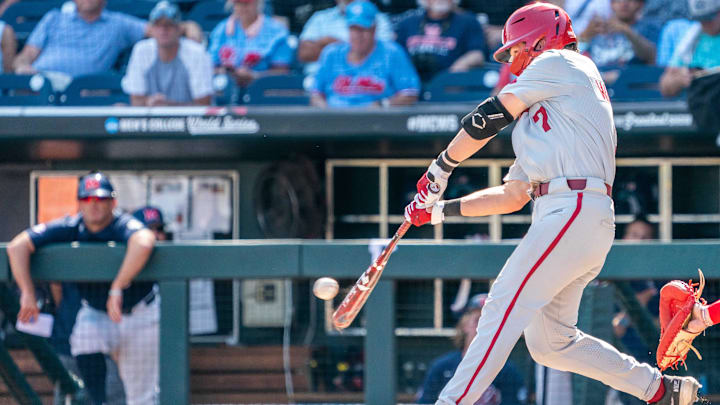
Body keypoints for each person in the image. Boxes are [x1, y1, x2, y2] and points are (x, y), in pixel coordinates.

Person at [403, 3, 701, 404]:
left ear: (539, 40)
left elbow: (488, 116)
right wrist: (440, 210)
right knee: (550, 342)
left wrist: (441, 168)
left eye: (515, 50)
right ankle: (660, 389)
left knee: (500, 307)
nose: (512, 60)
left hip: (573, 207)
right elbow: (511, 197)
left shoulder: (560, 61)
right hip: (571, 215)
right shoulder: (547, 113)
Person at [6, 172, 158, 405]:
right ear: (79, 203)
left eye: (100, 199)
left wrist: (117, 287)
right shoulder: (71, 225)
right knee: (85, 341)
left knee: (141, 397)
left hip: (140, 314)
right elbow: (17, 246)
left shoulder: (121, 223)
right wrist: (27, 292)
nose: (94, 205)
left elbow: (145, 240)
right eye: (88, 200)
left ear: (112, 202)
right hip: (97, 311)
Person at [417, 294, 526, 404]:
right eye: (478, 320)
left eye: (490, 321)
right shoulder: (442, 367)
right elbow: (425, 402)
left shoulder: (507, 371)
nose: (483, 327)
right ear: (465, 324)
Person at [310, 1, 420, 108]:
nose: (358, 35)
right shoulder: (331, 53)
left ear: (374, 29)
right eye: (354, 29)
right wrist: (326, 113)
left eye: (363, 30)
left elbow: (410, 93)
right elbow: (316, 94)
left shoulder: (391, 53)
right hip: (336, 120)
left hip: (377, 121)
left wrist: (383, 105)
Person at [121, 1, 213, 106]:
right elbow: (135, 100)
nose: (163, 30)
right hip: (151, 120)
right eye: (158, 25)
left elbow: (204, 104)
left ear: (179, 29)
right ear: (152, 29)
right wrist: (150, 102)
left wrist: (167, 106)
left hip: (193, 121)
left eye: (169, 25)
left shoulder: (196, 53)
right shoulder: (141, 50)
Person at [393, 0, 488, 82]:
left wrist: (451, 76)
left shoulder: (468, 21)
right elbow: (394, 55)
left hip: (448, 84)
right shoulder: (407, 23)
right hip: (410, 82)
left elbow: (477, 55)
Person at [298, 0, 394, 78]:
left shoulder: (378, 20)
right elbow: (304, 54)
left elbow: (382, 54)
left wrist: (327, 44)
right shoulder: (320, 18)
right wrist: (352, 49)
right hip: (319, 78)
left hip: (367, 78)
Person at [208, 0, 292, 88]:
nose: (242, 7)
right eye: (238, 3)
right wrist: (225, 72)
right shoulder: (221, 29)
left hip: (263, 90)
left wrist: (255, 76)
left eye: (247, 3)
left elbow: (281, 72)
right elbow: (210, 66)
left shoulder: (277, 31)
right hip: (225, 88)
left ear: (258, 3)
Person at [659, 0, 720, 97]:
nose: (704, 24)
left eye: (709, 18)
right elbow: (665, 86)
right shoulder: (690, 38)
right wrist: (679, 79)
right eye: (700, 19)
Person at [579, 0, 659, 68]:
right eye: (618, 0)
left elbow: (652, 56)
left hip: (629, 81)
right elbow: (575, 58)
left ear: (640, 4)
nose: (624, 3)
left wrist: (628, 31)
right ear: (611, 4)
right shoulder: (597, 28)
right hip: (597, 80)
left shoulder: (649, 27)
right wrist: (585, 36)